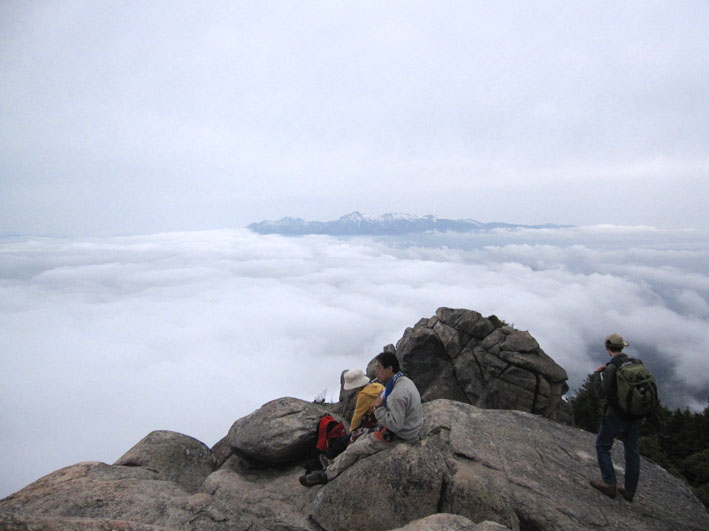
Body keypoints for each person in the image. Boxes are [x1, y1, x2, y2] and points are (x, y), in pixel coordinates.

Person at [300, 352, 423, 487]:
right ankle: (331, 466)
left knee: (354, 449)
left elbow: (396, 425)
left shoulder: (396, 395)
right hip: (407, 428)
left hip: (401, 436)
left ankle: (326, 476)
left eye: (379, 368)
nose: (376, 372)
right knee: (360, 439)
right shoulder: (402, 381)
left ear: (390, 369)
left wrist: (378, 409)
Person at [589, 333, 641, 502]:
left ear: (607, 348)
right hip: (634, 416)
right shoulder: (635, 363)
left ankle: (609, 483)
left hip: (615, 415)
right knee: (632, 452)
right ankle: (629, 490)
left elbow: (601, 394)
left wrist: (597, 375)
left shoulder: (611, 368)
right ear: (622, 347)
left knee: (603, 446)